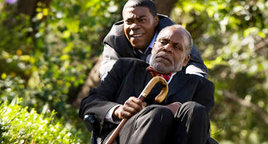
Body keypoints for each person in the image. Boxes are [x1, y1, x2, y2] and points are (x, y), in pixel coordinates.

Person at [80, 25, 216, 144]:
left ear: (185, 60)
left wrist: (178, 110)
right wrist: (118, 110)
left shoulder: (200, 86)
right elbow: (90, 103)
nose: (167, 48)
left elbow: (198, 131)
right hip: (125, 136)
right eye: (163, 42)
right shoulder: (126, 67)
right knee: (160, 113)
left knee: (194, 109)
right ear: (153, 47)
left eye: (176, 47)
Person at [99, 0, 208, 79]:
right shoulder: (115, 39)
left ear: (155, 21)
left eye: (142, 20)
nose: (134, 26)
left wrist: (191, 85)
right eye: (129, 21)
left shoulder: (174, 33)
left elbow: (195, 65)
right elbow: (107, 71)